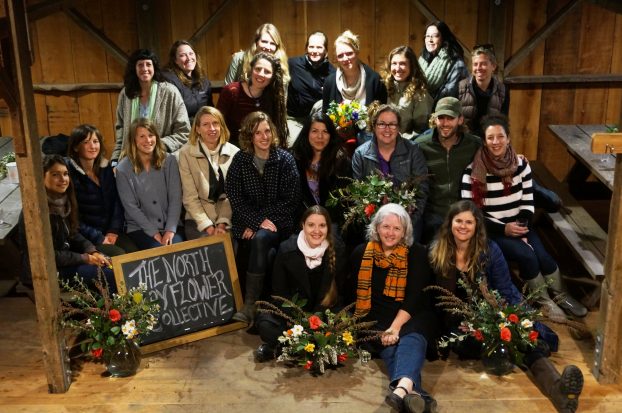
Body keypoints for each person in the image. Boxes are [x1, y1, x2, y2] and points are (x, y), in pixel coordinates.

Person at [429, 200, 584, 413]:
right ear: (450, 223)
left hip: (491, 311)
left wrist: (516, 318)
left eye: (469, 222)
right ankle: (507, 354)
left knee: (522, 339)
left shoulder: (490, 250)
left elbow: (505, 288)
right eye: (458, 221)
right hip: (458, 322)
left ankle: (559, 390)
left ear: (477, 226)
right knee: (489, 342)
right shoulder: (437, 250)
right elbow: (434, 299)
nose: (463, 226)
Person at [460, 114, 586, 318]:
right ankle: (544, 300)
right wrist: (505, 229)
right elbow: (474, 215)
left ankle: (563, 297)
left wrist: (522, 227)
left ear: (508, 138)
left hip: (521, 223)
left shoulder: (521, 165)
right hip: (492, 231)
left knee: (544, 257)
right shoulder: (472, 173)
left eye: (500, 136)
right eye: (490, 138)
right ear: (484, 141)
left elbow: (528, 199)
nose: (495, 142)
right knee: (527, 255)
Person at [351, 203, 437, 413]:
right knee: (390, 346)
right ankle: (414, 394)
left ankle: (400, 391)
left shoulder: (416, 253)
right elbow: (351, 293)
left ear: (405, 231)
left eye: (397, 228)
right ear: (377, 227)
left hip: (411, 314)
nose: (390, 233)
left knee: (410, 337)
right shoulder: (362, 253)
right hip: (376, 318)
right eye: (386, 227)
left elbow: (415, 297)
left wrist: (396, 327)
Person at [226, 112, 300, 324]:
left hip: (280, 222)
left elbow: (291, 201)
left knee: (260, 239)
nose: (264, 136)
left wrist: (260, 223)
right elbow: (235, 198)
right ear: (250, 136)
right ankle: (262, 307)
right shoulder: (240, 160)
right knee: (261, 248)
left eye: (267, 131)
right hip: (252, 223)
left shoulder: (285, 159)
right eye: (258, 132)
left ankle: (249, 305)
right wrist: (255, 222)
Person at [254, 206, 345, 362]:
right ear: (303, 225)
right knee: (266, 324)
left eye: (322, 225)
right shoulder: (286, 249)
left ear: (328, 227)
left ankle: (284, 348)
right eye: (311, 225)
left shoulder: (338, 248)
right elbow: (279, 292)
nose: (317, 231)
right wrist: (300, 321)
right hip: (293, 317)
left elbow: (342, 291)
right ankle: (314, 347)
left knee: (345, 325)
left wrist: (318, 320)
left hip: (324, 314)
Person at [18, 155, 115, 292]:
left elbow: (73, 233)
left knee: (110, 262)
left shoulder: (63, 201)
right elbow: (47, 255)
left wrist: (92, 251)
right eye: (55, 175)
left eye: (65, 174)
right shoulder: (36, 212)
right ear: (41, 177)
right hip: (45, 272)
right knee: (106, 275)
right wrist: (84, 258)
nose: (63, 179)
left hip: (66, 259)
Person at [353, 104, 429, 242]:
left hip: (408, 220)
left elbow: (421, 191)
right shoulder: (360, 154)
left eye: (392, 124)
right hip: (374, 222)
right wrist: (377, 225)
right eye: (382, 124)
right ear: (373, 126)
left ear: (399, 127)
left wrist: (406, 223)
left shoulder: (413, 151)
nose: (387, 129)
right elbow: (357, 196)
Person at [415, 97, 481, 243]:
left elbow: (496, 154)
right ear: (435, 119)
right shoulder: (420, 145)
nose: (445, 123)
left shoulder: (474, 144)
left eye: (450, 118)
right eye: (441, 118)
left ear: (460, 120)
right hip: (433, 215)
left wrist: (517, 157)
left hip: (465, 214)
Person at [66, 124, 136, 256]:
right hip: (87, 238)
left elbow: (116, 201)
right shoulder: (70, 175)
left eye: (95, 141)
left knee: (135, 253)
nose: (93, 146)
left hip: (110, 232)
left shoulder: (105, 168)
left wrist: (113, 230)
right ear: (75, 147)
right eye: (86, 142)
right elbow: (73, 218)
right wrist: (99, 237)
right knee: (120, 256)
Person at [115, 118, 184, 250]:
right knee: (158, 252)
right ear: (133, 140)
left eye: (151, 135)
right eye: (142, 136)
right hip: (140, 228)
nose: (148, 140)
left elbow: (175, 198)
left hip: (170, 225)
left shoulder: (169, 160)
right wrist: (154, 233)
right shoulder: (122, 169)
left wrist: (170, 229)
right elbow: (131, 207)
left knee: (177, 252)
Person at [112, 49, 190, 162]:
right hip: (131, 160)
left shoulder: (169, 92)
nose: (144, 69)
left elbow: (184, 132)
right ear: (134, 68)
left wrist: (158, 146)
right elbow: (121, 129)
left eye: (148, 64)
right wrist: (115, 159)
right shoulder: (126, 94)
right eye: (140, 65)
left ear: (154, 67)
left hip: (161, 160)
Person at [178, 106, 240, 240]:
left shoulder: (235, 153)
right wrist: (208, 227)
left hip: (227, 219)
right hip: (197, 221)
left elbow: (233, 195)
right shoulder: (186, 154)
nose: (212, 129)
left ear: (221, 127)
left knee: (228, 250)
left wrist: (222, 224)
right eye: (206, 124)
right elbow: (190, 198)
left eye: (215, 123)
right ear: (197, 129)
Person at [291, 112, 352, 224]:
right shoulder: (294, 160)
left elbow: (342, 202)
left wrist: (322, 223)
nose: (320, 137)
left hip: (331, 223)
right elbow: (292, 200)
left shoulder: (341, 162)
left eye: (325, 131)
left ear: (331, 135)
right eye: (315, 131)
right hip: (301, 221)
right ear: (307, 133)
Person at [217, 52, 288, 148]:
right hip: (232, 146)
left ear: (273, 77)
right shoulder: (231, 91)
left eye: (267, 71)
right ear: (251, 70)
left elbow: (276, 131)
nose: (261, 74)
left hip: (263, 147)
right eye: (258, 69)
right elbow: (218, 124)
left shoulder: (274, 96)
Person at [286, 31, 336, 146]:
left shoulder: (333, 73)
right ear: (306, 48)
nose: (314, 51)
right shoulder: (292, 64)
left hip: (317, 121)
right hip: (295, 119)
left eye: (319, 47)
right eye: (311, 46)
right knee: (294, 144)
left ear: (326, 51)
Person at [322, 30, 387, 114]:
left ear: (357, 52)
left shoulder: (375, 80)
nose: (345, 59)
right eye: (340, 56)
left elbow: (382, 113)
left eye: (349, 53)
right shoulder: (330, 82)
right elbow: (325, 115)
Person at [381, 45, 433, 139]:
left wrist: (399, 139)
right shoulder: (383, 86)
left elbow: (421, 130)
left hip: (406, 144)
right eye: (394, 63)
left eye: (402, 64)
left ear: (411, 66)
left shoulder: (420, 94)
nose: (397, 68)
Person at [458, 44, 509, 137]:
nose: (478, 68)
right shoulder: (461, 87)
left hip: (490, 141)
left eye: (483, 64)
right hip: (465, 140)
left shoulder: (502, 90)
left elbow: (503, 123)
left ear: (493, 66)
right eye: (475, 64)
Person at [418, 21, 468, 105]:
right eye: (427, 36)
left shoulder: (457, 64)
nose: (430, 40)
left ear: (443, 38)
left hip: (445, 112)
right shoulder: (422, 60)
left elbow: (450, 94)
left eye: (435, 36)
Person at [162, 40, 213, 122]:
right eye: (183, 55)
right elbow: (173, 115)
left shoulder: (203, 80)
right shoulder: (169, 80)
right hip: (182, 130)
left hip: (203, 127)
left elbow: (210, 108)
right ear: (175, 60)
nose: (189, 58)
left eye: (191, 53)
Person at [224, 23, 290, 87]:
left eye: (272, 43)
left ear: (277, 47)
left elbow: (283, 94)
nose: (268, 47)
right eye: (264, 41)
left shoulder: (281, 63)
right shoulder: (239, 59)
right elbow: (227, 89)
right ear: (256, 42)